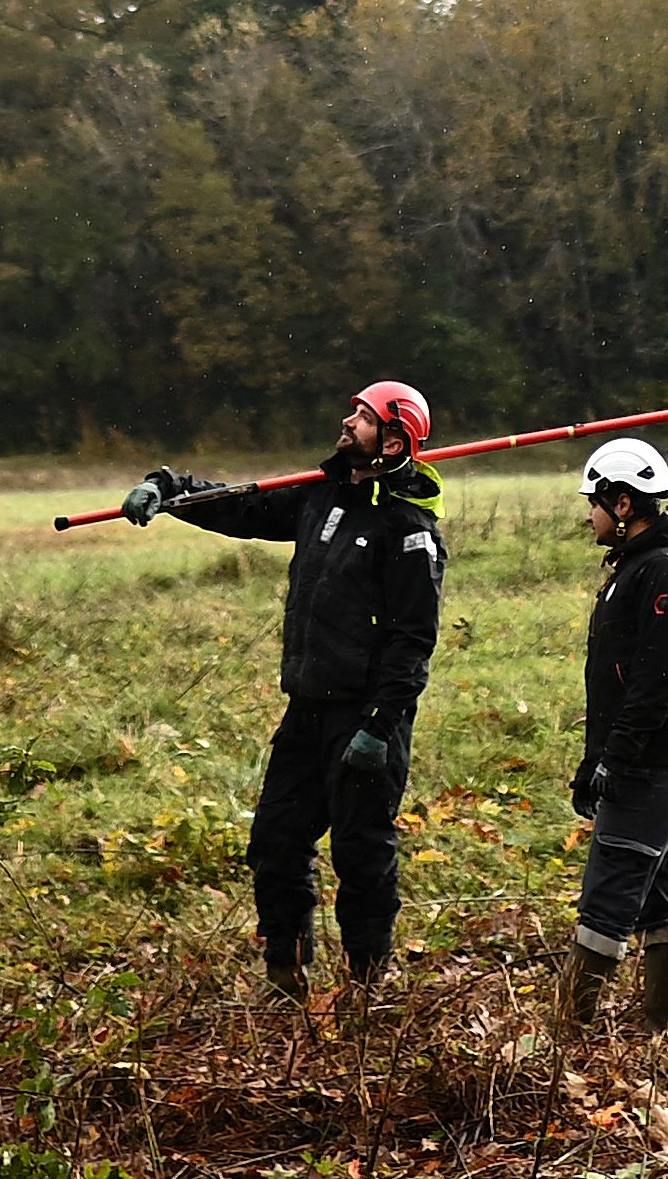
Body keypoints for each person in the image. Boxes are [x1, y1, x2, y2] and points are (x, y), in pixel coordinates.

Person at [118, 377, 447, 1004]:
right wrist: (169, 488)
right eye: (352, 411)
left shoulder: (411, 532)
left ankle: (368, 987)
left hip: (366, 720)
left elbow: (413, 642)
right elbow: (240, 505)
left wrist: (379, 726)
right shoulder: (319, 498)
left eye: (363, 417)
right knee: (275, 843)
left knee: (362, 856)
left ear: (395, 438)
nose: (348, 422)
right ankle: (286, 977)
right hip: (307, 709)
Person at [552, 433, 668, 1036]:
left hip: (657, 765)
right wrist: (593, 762)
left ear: (624, 505)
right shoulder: (635, 569)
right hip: (640, 761)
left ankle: (565, 1040)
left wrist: (617, 761)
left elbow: (660, 680)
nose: (587, 512)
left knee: (609, 892)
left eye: (594, 500)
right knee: (657, 896)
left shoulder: (665, 571)